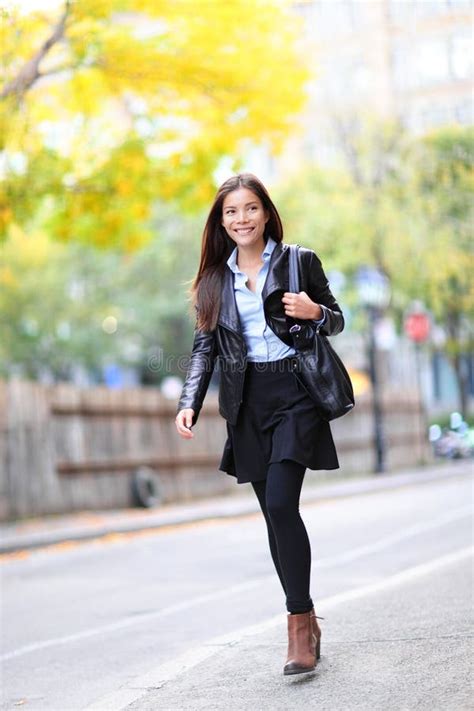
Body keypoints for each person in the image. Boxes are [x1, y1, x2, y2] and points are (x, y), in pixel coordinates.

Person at [175, 172, 345, 676]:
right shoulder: (214, 280)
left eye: (250, 209)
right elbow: (205, 348)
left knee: (279, 501)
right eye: (231, 212)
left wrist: (314, 311)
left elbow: (336, 317)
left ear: (266, 213)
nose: (241, 219)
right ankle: (308, 616)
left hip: (296, 392)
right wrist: (190, 400)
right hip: (247, 402)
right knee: (275, 517)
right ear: (221, 221)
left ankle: (297, 627)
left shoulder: (299, 261)